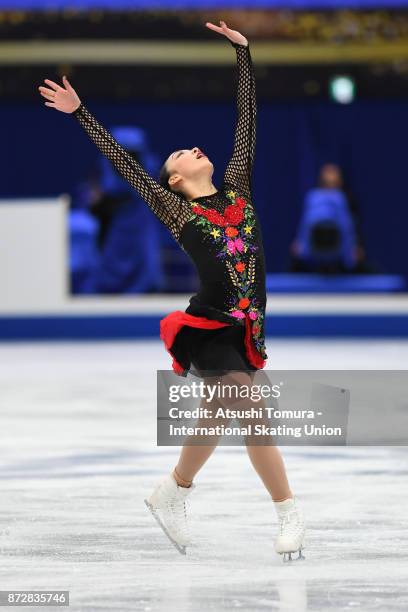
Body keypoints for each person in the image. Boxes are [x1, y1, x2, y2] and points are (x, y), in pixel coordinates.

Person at [38, 20, 305, 561]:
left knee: (215, 416)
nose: (192, 149)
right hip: (211, 326)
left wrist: (244, 55)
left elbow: (246, 123)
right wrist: (82, 114)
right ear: (175, 180)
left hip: (248, 325)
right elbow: (123, 163)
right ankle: (289, 513)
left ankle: (172, 492)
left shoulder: (238, 184)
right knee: (252, 410)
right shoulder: (174, 207)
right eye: (181, 154)